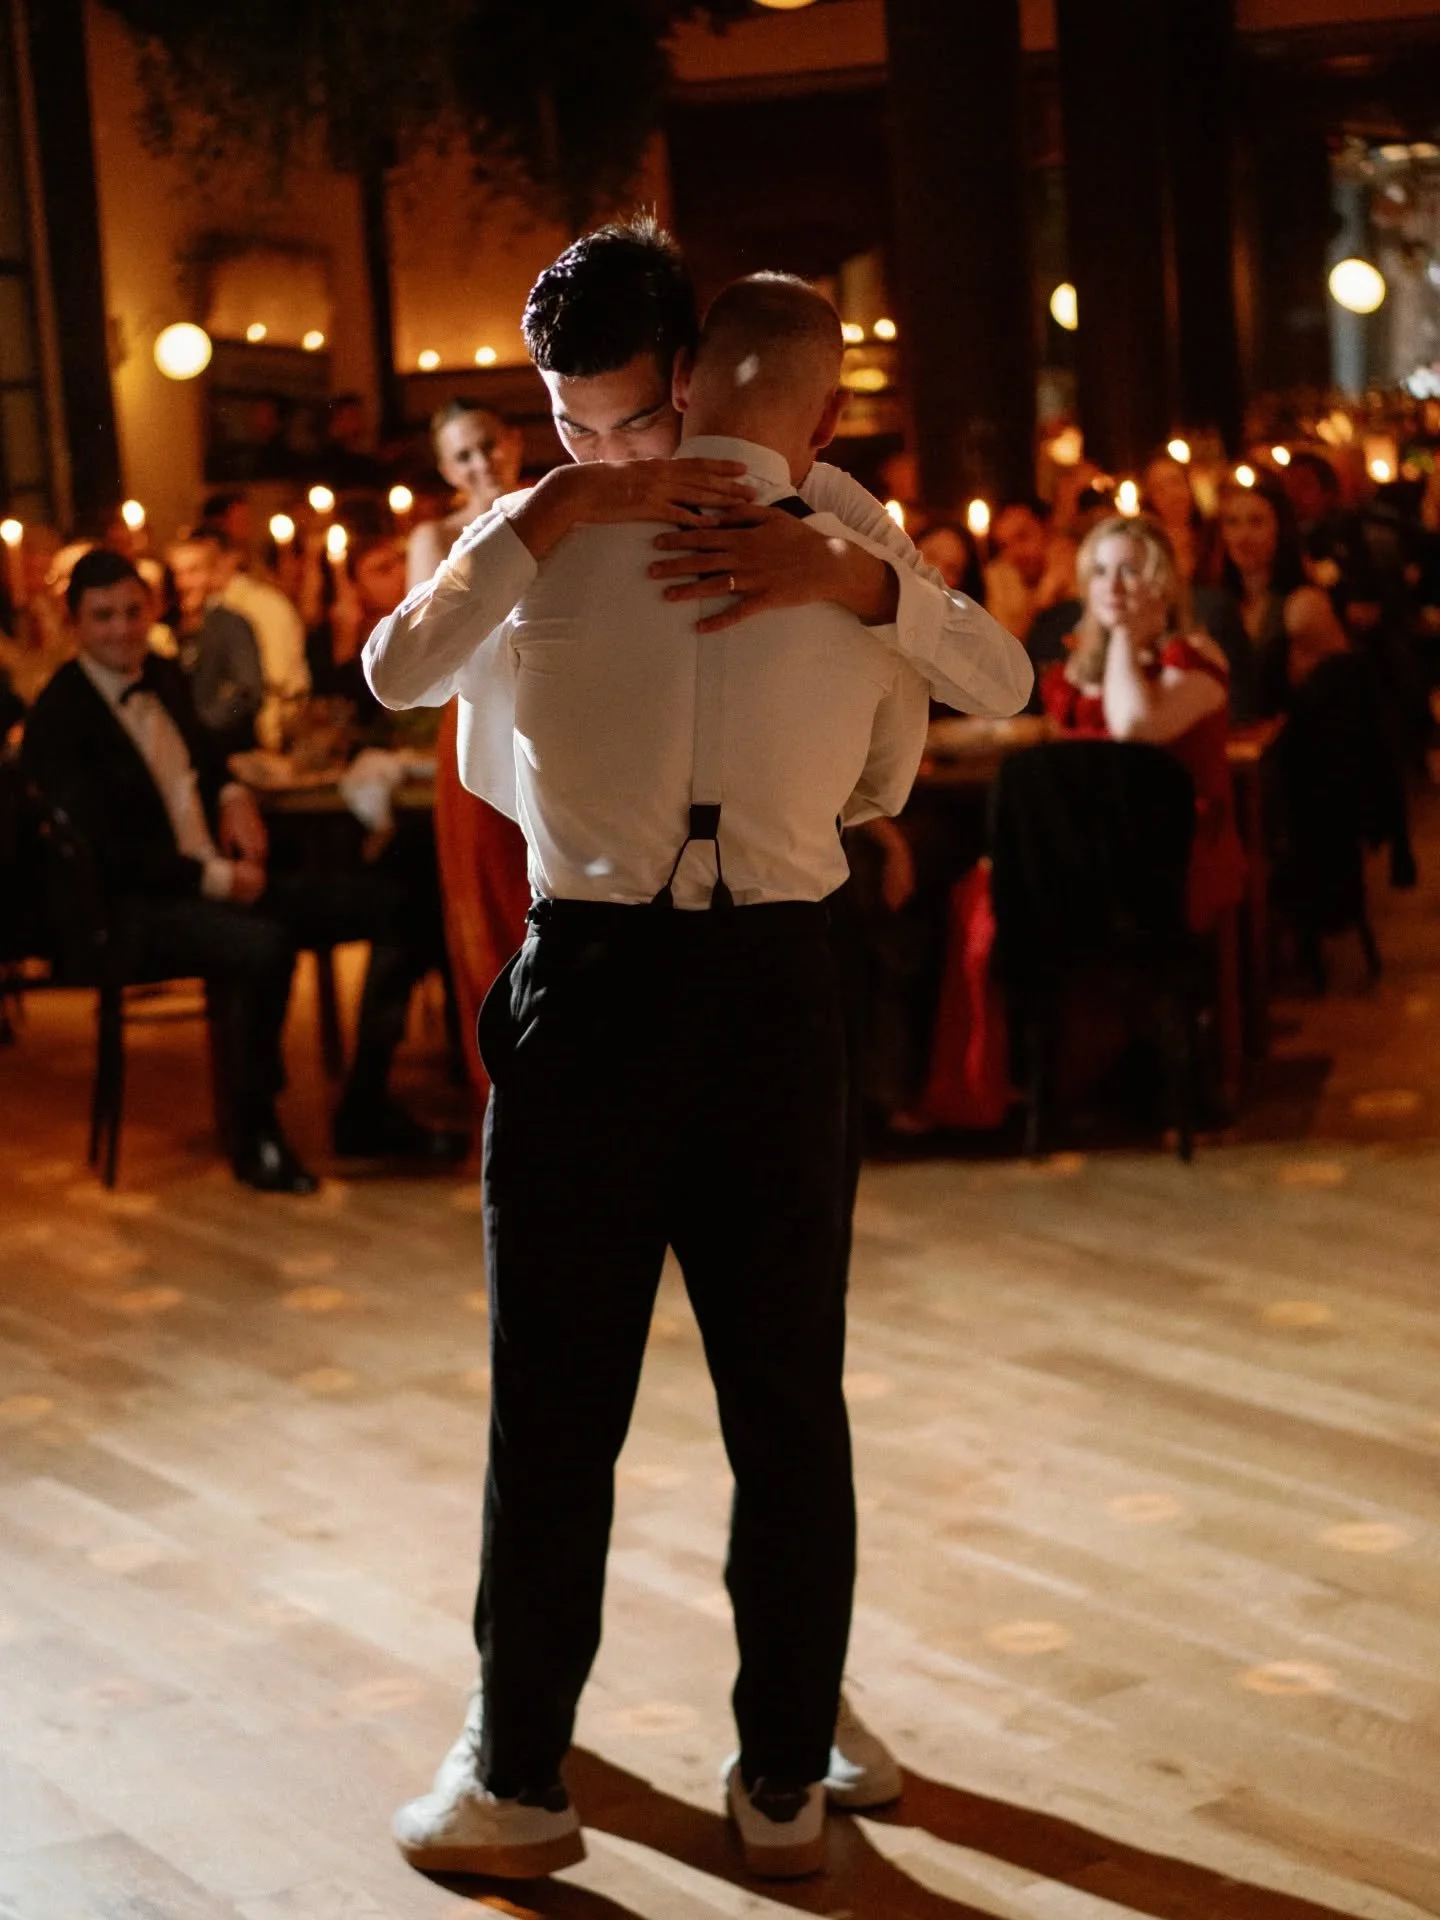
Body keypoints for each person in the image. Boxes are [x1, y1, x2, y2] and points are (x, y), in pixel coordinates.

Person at [368, 252, 1030, 1881]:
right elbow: (922, 753)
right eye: (563, 423)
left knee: (557, 1406)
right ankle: (787, 1780)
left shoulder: (542, 553)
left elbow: (446, 724)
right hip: (778, 988)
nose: (593, 445)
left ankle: (520, 1779)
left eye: (610, 412)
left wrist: (548, 546)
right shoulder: (848, 535)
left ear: (686, 376)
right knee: (788, 1401)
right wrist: (850, 607)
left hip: (595, 982)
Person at [22, 549, 468, 1192]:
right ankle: (252, 1131)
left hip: (211, 880)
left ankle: (365, 1104)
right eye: (103, 617)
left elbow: (208, 758)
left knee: (400, 901)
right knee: (262, 945)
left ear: (150, 611)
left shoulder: (166, 676)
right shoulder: (58, 718)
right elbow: (110, 854)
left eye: (131, 612)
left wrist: (233, 800)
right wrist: (219, 882)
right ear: (74, 625)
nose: (121, 629)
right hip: (127, 910)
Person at [406, 402, 531, 1106]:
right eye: (463, 456)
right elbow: (422, 654)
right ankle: (504, 1095)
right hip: (474, 725)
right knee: (488, 909)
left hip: (555, 719)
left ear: (512, 439)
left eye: (488, 445)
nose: (481, 463)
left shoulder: (555, 504)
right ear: (445, 469)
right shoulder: (436, 535)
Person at [1041, 515, 1245, 934]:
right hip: (1095, 838)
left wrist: (1124, 637)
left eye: (1129, 571)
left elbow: (1132, 726)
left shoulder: (1193, 656)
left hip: (1172, 846)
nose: (1111, 586)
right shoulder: (1082, 667)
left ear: (1162, 583)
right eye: (1100, 571)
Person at [1213, 478, 1348, 715]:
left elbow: (1338, 697)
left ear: (1280, 530)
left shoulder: (1302, 606)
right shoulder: (1223, 603)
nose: (1242, 537)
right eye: (1232, 523)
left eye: (1256, 523)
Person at [160, 532, 265, 756]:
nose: (183, 583)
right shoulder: (162, 628)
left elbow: (247, 691)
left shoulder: (230, 625)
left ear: (211, 575)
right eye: (176, 574)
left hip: (224, 751)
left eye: (193, 572)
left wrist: (202, 726)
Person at [984, 497, 1076, 645]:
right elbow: (1002, 652)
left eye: (1022, 536)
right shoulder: (1000, 576)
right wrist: (1038, 604)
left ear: (1046, 530)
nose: (1015, 553)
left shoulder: (1077, 563)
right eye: (1005, 545)